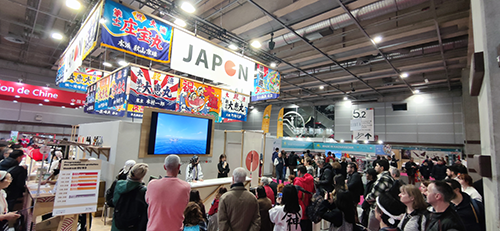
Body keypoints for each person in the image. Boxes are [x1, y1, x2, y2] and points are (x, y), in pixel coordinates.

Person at [146, 155, 191, 231]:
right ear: (179, 166)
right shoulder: (185, 187)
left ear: (164, 167)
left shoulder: (152, 184)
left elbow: (148, 201)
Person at [111, 163, 149, 231]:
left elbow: (114, 201)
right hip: (133, 225)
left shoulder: (118, 184)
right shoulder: (144, 191)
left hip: (117, 223)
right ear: (143, 176)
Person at [366, 159, 394, 231]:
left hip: (378, 208)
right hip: (383, 208)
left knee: (372, 228)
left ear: (382, 168)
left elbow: (374, 195)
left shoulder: (383, 178)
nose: (375, 167)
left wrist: (367, 198)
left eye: (377, 166)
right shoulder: (389, 177)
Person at [294, 165, 315, 231]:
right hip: (310, 206)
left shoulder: (298, 182)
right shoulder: (311, 180)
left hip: (301, 208)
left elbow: (297, 196)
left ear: (299, 172)